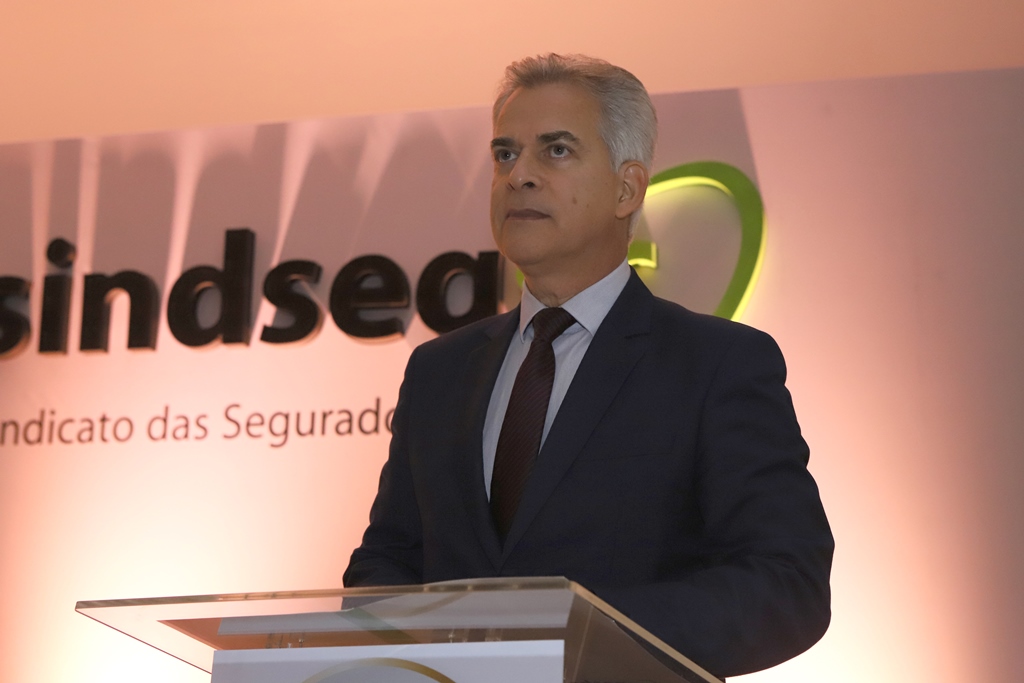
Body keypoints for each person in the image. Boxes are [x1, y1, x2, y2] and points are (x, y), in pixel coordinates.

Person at [344, 53, 833, 678]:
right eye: (504, 154)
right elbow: (387, 560)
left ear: (627, 189)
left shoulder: (717, 364)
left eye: (556, 151)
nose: (519, 175)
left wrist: (579, 633)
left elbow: (786, 583)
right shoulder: (439, 371)